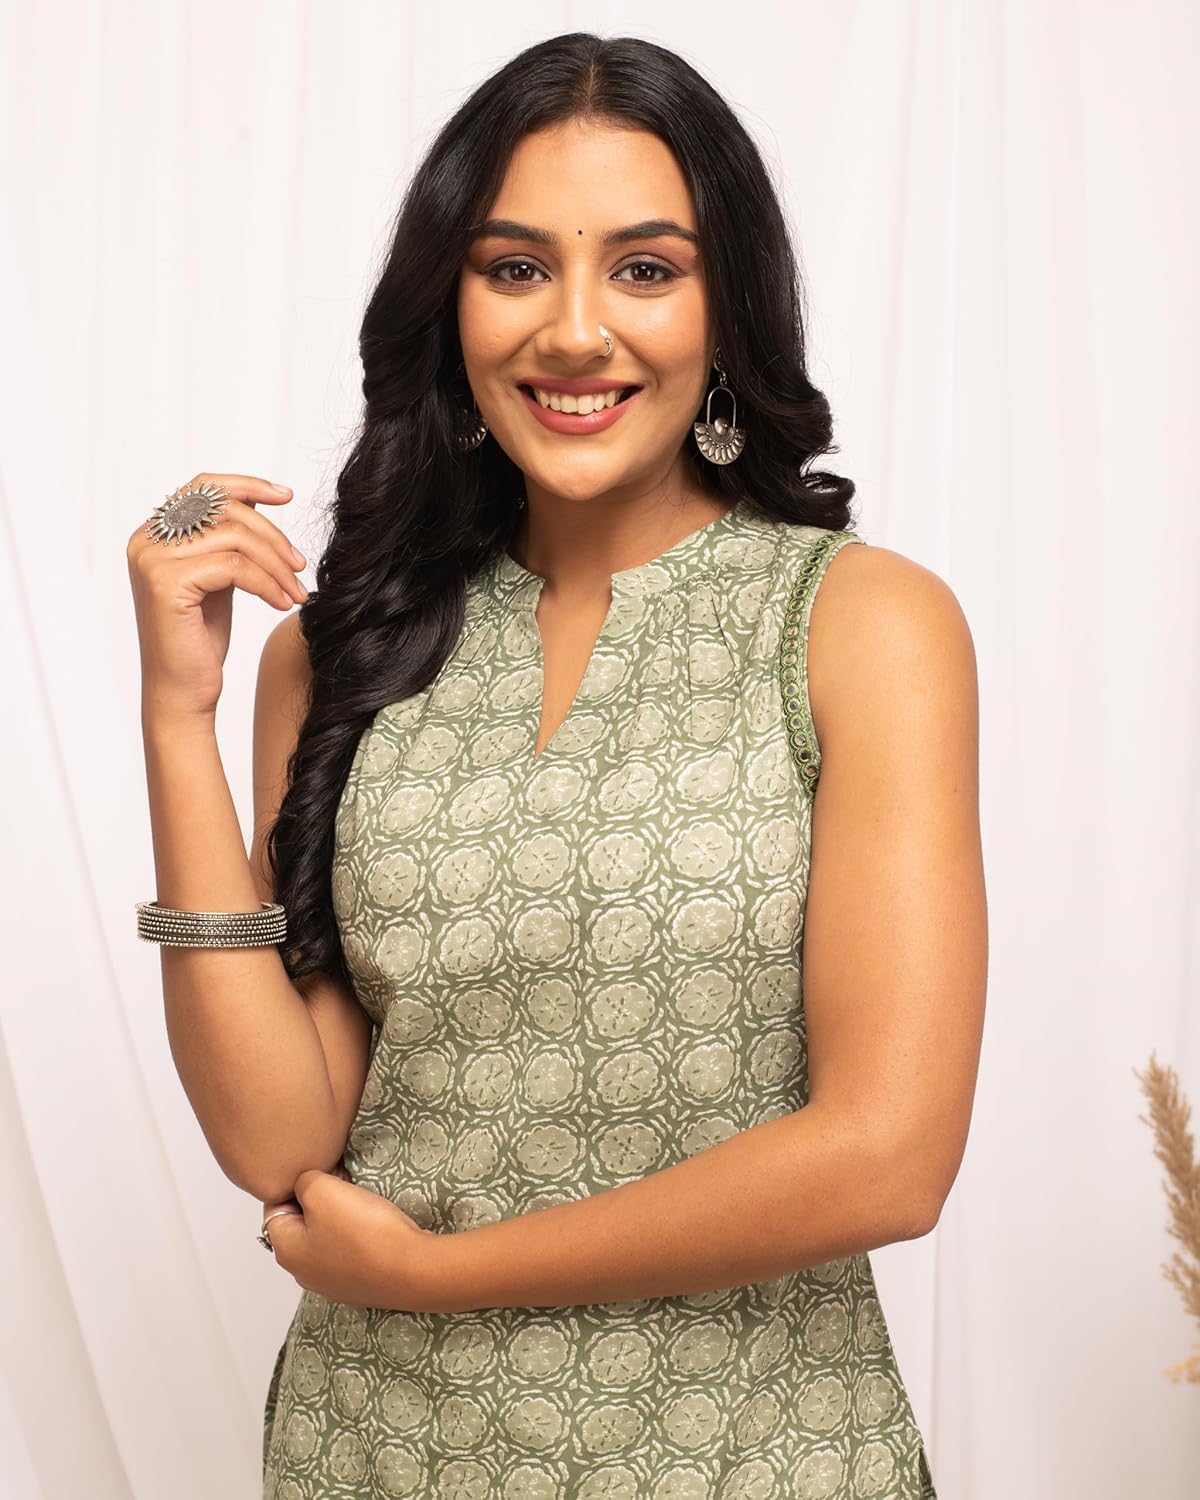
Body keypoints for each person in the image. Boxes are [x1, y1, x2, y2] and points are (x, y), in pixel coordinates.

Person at [127, 31, 985, 1499]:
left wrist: (442, 1276)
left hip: (752, 1459)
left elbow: (888, 1156)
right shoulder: (345, 656)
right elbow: (282, 1138)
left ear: (729, 308)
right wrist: (172, 716)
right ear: (449, 307)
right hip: (377, 1452)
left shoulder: (858, 624)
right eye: (516, 267)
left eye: (644, 269)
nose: (576, 330)